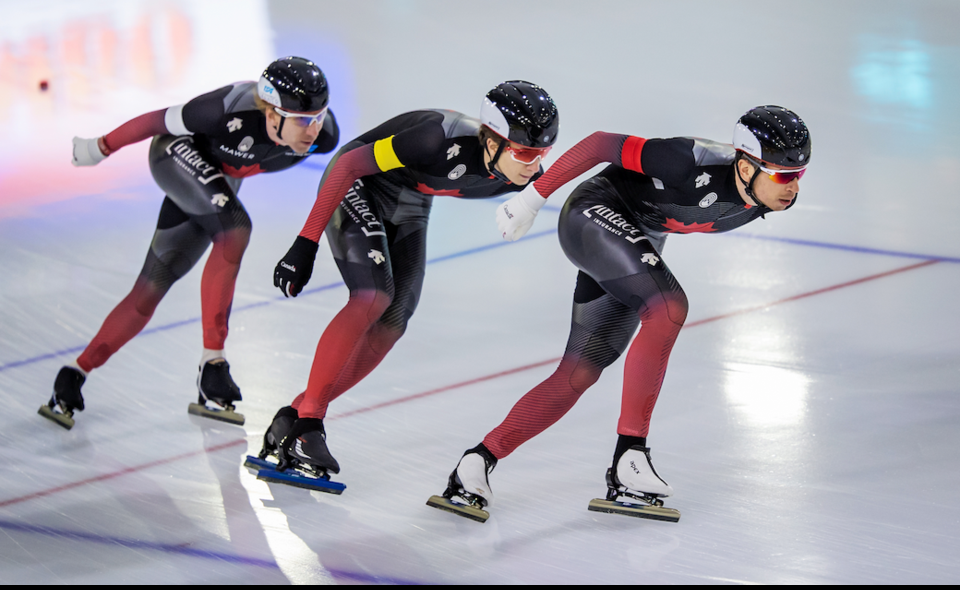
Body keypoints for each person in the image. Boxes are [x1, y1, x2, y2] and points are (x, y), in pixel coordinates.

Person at [429, 106, 811, 522]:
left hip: (636, 237)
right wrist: (531, 199)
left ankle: (477, 462)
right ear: (743, 165)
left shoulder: (764, 194)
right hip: (593, 215)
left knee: (580, 372)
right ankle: (630, 455)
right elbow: (598, 144)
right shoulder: (687, 160)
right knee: (668, 308)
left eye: (798, 175)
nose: (792, 187)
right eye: (782, 174)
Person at [255, 81, 560, 486]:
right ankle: (309, 425)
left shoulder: (525, 177)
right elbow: (347, 167)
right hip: (358, 182)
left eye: (543, 153)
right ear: (490, 142)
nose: (534, 164)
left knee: (394, 322)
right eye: (524, 152)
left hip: (410, 199)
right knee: (372, 296)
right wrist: (305, 243)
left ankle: (293, 417)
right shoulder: (435, 139)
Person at [39, 57, 340, 430]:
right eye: (301, 120)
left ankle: (74, 373)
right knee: (235, 228)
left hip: (215, 183)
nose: (312, 129)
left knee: (151, 287)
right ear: (270, 112)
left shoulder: (324, 137)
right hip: (175, 153)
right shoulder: (222, 110)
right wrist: (100, 147)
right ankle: (214, 363)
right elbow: (155, 121)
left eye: (317, 117)